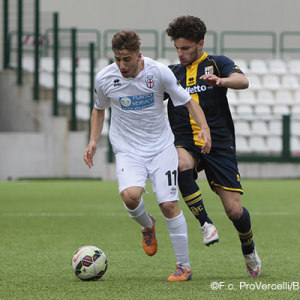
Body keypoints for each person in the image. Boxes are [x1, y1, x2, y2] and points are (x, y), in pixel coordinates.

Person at [83, 30, 212, 281]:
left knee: (169, 204)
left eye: (127, 59)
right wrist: (92, 141)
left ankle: (183, 266)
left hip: (161, 148)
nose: (122, 65)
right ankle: (147, 224)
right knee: (131, 198)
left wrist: (205, 129)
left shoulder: (158, 72)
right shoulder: (105, 78)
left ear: (138, 56)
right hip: (127, 149)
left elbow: (188, 102)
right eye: (118, 58)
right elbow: (99, 110)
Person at [165, 16, 261, 278]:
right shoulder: (172, 73)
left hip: (219, 144)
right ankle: (205, 223)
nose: (180, 53)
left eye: (185, 48)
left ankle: (249, 248)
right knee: (177, 162)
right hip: (186, 141)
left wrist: (221, 81)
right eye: (177, 48)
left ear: (200, 43)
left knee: (234, 210)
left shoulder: (217, 63)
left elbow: (243, 81)